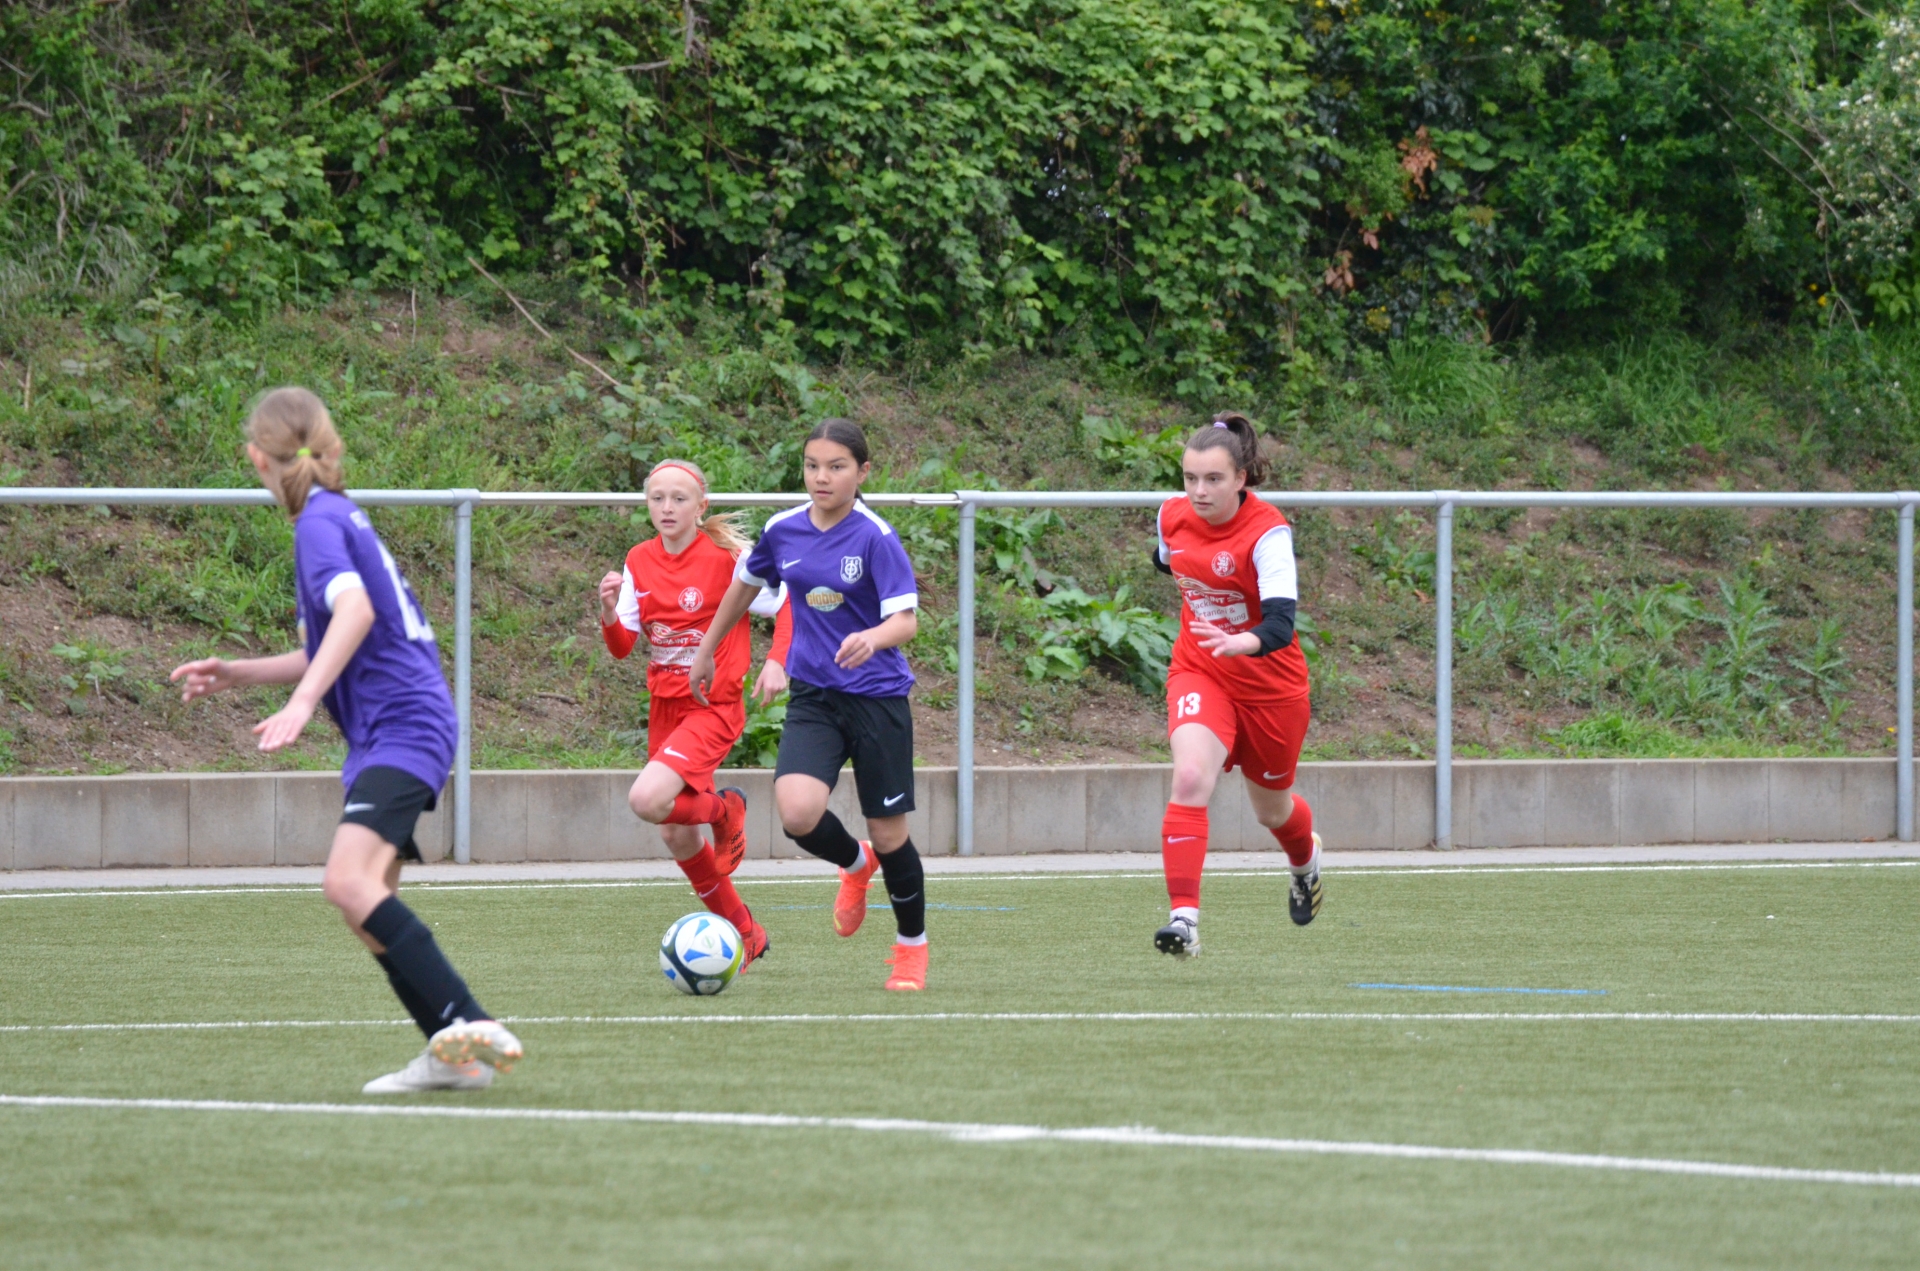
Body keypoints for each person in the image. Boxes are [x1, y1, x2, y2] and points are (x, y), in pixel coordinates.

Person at [170, 387, 523, 1093]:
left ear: (254, 457)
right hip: (393, 726)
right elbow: (326, 644)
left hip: (404, 723)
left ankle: (470, 1017)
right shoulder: (336, 518)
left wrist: (303, 703)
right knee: (369, 909)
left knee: (345, 881)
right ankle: (452, 1059)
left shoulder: (318, 526)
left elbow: (356, 611)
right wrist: (237, 673)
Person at [687, 418, 928, 990]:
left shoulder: (875, 536)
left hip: (876, 698)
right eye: (812, 465)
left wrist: (873, 637)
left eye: (837, 467)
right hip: (816, 697)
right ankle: (854, 864)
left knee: (890, 832)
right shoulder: (784, 529)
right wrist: (707, 648)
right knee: (796, 813)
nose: (822, 477)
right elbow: (745, 583)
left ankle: (911, 948)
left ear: (862, 472)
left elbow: (907, 620)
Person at [598, 457, 791, 968]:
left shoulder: (729, 556)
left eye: (679, 499)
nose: (667, 507)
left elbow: (788, 603)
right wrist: (606, 612)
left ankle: (726, 810)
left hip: (714, 704)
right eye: (657, 498)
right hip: (666, 705)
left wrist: (776, 660)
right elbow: (622, 647)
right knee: (674, 831)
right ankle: (747, 933)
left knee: (646, 799)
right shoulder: (638, 559)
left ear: (701, 506)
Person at [1149, 411, 1321, 957]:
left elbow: (1279, 624)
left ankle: (1305, 863)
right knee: (1191, 777)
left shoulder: (1268, 532)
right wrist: (1213, 637)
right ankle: (1184, 921)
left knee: (1273, 811)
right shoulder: (1170, 516)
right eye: (1190, 478)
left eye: (1213, 479)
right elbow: (1167, 562)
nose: (1199, 491)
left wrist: (1242, 640)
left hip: (1272, 688)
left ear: (1241, 478)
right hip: (1201, 670)